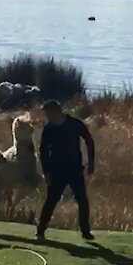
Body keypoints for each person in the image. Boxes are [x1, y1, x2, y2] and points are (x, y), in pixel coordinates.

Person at [36, 99, 96, 241]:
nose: (46, 116)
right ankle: (40, 230)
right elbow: (43, 152)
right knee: (51, 200)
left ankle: (85, 231)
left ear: (56, 111)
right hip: (57, 171)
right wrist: (47, 172)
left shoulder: (75, 124)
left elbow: (89, 140)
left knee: (82, 199)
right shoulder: (49, 129)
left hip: (75, 169)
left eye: (48, 113)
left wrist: (91, 162)